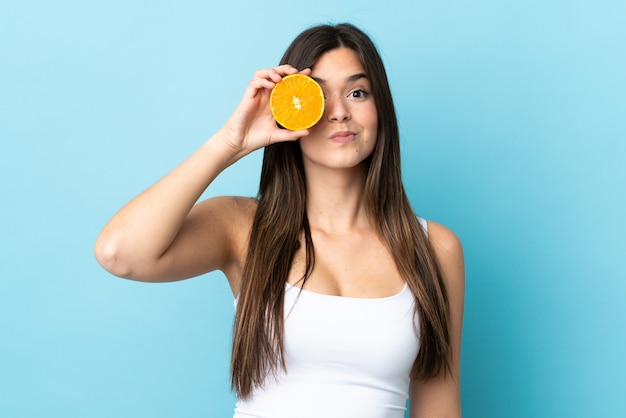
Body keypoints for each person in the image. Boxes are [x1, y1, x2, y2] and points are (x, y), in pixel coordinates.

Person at [95, 23, 465, 418]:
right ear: (290, 110)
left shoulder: (435, 249)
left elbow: (438, 405)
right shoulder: (242, 228)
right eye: (318, 96)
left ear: (381, 109)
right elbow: (120, 252)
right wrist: (228, 143)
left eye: (357, 93)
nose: (340, 112)